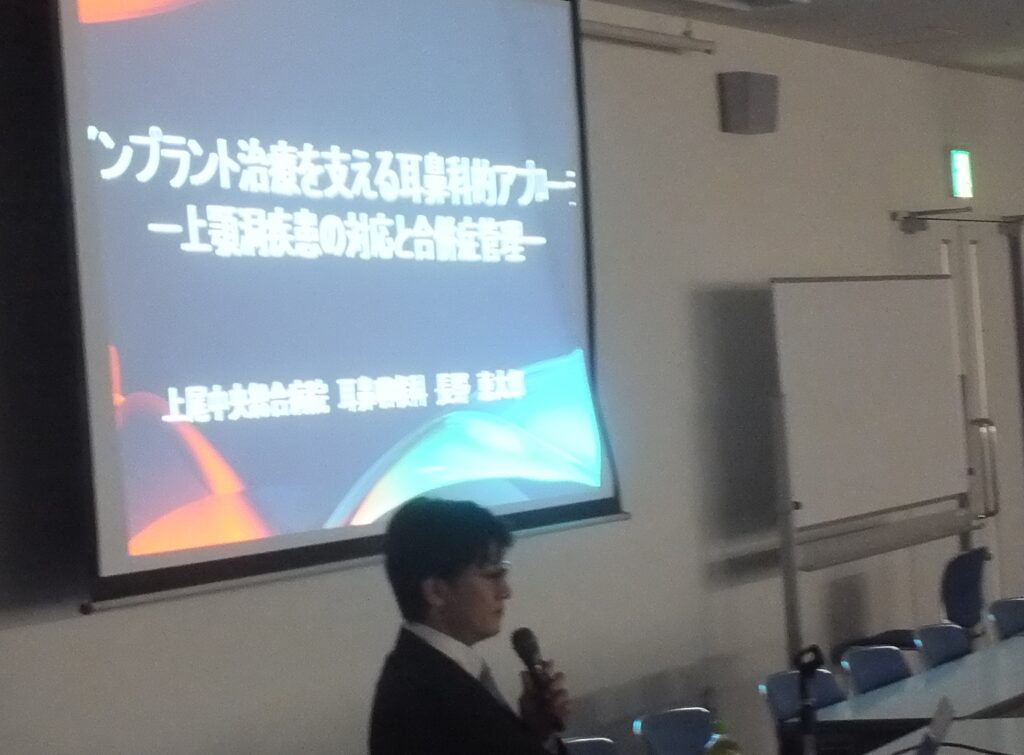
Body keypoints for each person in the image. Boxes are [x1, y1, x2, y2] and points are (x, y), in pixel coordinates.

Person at [369, 497, 570, 755]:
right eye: (492, 575)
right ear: (435, 592)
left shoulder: (427, 672)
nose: (505, 591)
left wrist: (535, 733)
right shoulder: (427, 700)